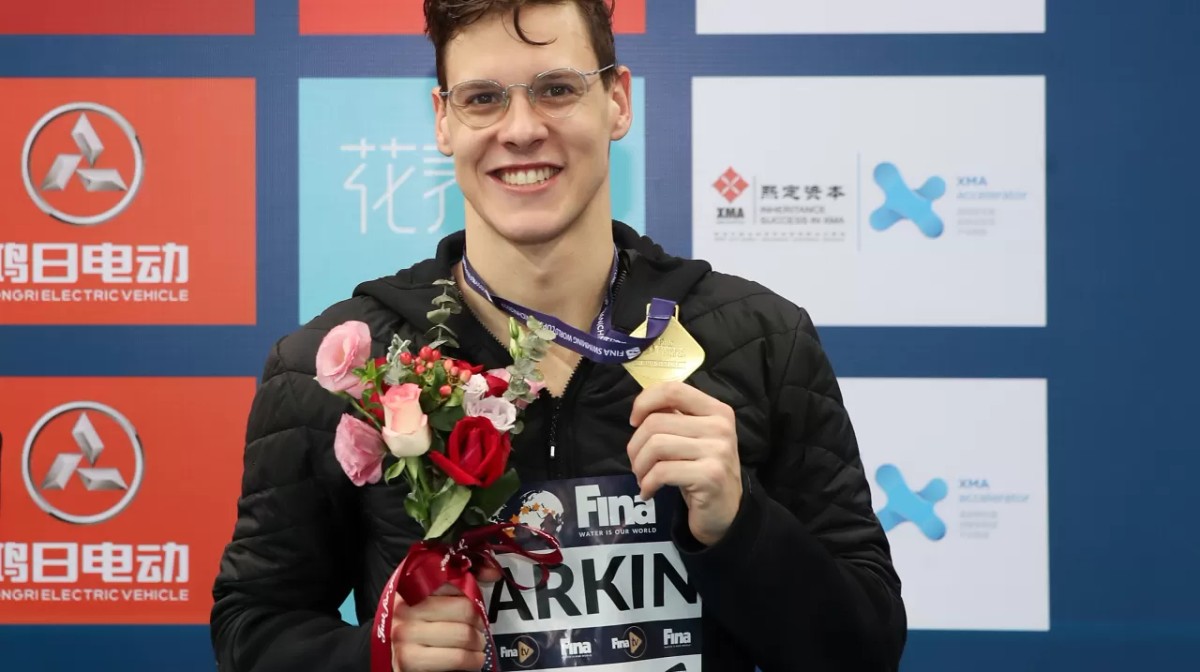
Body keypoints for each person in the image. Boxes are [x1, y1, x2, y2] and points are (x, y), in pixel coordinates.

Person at [209, 1, 907, 670]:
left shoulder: (759, 341)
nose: (520, 129)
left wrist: (739, 524)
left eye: (555, 89)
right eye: (483, 98)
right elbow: (252, 626)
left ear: (618, 102)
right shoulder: (343, 369)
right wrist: (376, 654)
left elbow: (863, 649)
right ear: (443, 121)